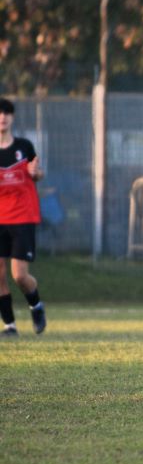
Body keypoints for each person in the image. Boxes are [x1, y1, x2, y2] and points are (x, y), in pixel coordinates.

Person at [0, 97, 47, 336]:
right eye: (0, 113)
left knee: (19, 275)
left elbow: (37, 174)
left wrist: (35, 172)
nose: (3, 117)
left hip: (22, 217)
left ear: (12, 117)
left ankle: (36, 306)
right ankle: (10, 326)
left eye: (7, 113)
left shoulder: (24, 146)